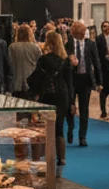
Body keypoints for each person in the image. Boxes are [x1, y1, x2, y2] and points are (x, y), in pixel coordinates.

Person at [28, 31, 74, 166]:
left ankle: (46, 156)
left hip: (47, 96)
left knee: (46, 127)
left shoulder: (43, 60)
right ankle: (62, 158)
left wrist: (35, 94)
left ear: (48, 42)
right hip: (62, 96)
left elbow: (35, 79)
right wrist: (72, 102)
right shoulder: (66, 61)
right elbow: (70, 83)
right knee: (59, 128)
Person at [65, 22, 101, 146]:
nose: (82, 34)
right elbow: (63, 61)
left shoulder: (91, 44)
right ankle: (70, 130)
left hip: (86, 80)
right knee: (70, 107)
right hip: (71, 80)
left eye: (83, 32)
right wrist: (69, 61)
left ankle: (82, 137)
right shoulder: (67, 43)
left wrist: (99, 82)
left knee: (84, 109)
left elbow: (96, 62)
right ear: (74, 32)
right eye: (80, 32)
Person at [9, 25, 42, 98]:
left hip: (16, 84)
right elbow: (41, 65)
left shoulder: (12, 47)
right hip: (31, 84)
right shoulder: (35, 47)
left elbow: (9, 65)